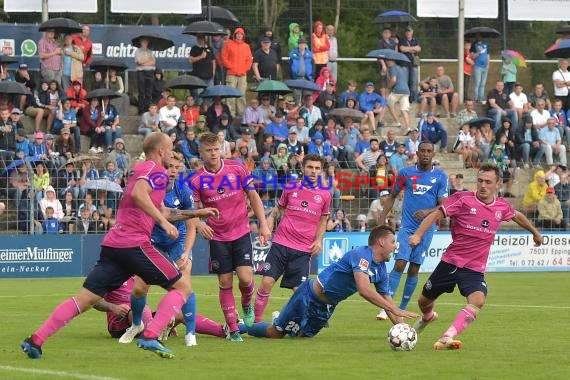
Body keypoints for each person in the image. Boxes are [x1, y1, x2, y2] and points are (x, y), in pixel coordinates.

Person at [21, 133, 218, 360]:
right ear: (162, 151)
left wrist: (196, 213)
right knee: (182, 288)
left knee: (85, 299)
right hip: (134, 243)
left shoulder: (143, 171)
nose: (173, 153)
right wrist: (163, 223)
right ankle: (151, 335)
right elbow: (138, 196)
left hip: (114, 245)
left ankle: (36, 340)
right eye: (171, 148)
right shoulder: (157, 170)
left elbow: (162, 210)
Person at [409, 163, 542, 350]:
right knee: (424, 301)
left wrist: (534, 232)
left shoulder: (501, 206)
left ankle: (447, 336)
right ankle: (428, 317)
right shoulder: (462, 199)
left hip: (474, 268)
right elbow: (435, 215)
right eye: (480, 181)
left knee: (478, 300)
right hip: (450, 262)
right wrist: (417, 235)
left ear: (498, 184)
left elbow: (516, 215)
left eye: (488, 182)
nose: (483, 185)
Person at [244, 226, 417, 339]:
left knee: (300, 338)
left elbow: (387, 301)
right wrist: (392, 308)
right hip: (309, 295)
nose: (395, 246)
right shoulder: (361, 255)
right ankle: (241, 327)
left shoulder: (381, 271)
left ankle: (282, 319)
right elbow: (364, 289)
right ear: (381, 242)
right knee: (276, 334)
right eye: (393, 242)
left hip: (326, 307)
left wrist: (405, 330)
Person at [119, 153, 207, 347]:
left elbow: (192, 223)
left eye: (177, 168)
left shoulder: (183, 191)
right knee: (140, 287)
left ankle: (190, 333)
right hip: (153, 241)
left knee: (185, 282)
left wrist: (186, 251)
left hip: (178, 240)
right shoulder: (150, 188)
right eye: (170, 167)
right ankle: (136, 325)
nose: (174, 171)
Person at [191, 132, 271, 342]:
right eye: (209, 150)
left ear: (222, 149)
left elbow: (253, 196)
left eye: (216, 149)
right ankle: (234, 330)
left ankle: (246, 304)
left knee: (245, 278)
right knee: (225, 282)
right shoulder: (197, 179)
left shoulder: (237, 168)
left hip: (241, 232)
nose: (213, 154)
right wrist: (199, 224)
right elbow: (193, 210)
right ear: (201, 152)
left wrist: (263, 225)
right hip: (218, 237)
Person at [253, 154, 331, 322]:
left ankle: (307, 321)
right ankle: (256, 321)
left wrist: (319, 240)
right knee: (266, 282)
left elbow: (323, 220)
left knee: (300, 291)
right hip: (281, 243)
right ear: (303, 168)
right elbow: (278, 209)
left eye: (317, 168)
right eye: (310, 167)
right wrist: (267, 225)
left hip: (303, 249)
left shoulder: (325, 195)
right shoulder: (290, 188)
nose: (313, 171)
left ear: (321, 171)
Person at [375, 141, 448, 321]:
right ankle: (388, 307)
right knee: (400, 263)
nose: (425, 154)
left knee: (414, 269)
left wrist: (427, 212)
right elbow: (392, 196)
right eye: (422, 151)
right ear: (417, 152)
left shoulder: (440, 177)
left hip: (427, 230)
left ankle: (402, 307)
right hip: (407, 228)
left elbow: (443, 206)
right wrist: (382, 220)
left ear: (433, 154)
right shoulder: (406, 173)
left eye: (428, 151)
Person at [221, 28, 253, 117]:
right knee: (230, 95)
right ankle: (230, 114)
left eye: (241, 34)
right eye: (237, 34)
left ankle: (241, 114)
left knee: (241, 95)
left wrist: (245, 69)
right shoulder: (228, 44)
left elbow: (249, 59)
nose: (239, 35)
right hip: (231, 74)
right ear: (234, 35)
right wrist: (230, 66)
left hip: (242, 75)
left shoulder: (246, 46)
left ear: (243, 36)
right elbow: (224, 57)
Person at [135, 37, 156, 114]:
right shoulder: (138, 51)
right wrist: (148, 60)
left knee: (149, 92)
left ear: (148, 42)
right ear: (140, 42)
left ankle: (147, 108)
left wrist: (144, 62)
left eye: (146, 42)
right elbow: (139, 62)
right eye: (143, 42)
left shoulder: (150, 52)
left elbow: (153, 62)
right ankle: (141, 109)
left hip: (150, 72)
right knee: (141, 92)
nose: (144, 43)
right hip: (141, 72)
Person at [470, 33, 490, 103]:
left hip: (485, 67)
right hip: (477, 66)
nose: (479, 37)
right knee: (477, 83)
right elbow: (472, 57)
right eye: (478, 36)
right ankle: (475, 98)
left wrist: (488, 64)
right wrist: (478, 51)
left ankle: (481, 98)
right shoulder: (473, 45)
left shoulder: (486, 44)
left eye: (481, 36)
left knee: (483, 84)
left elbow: (487, 55)